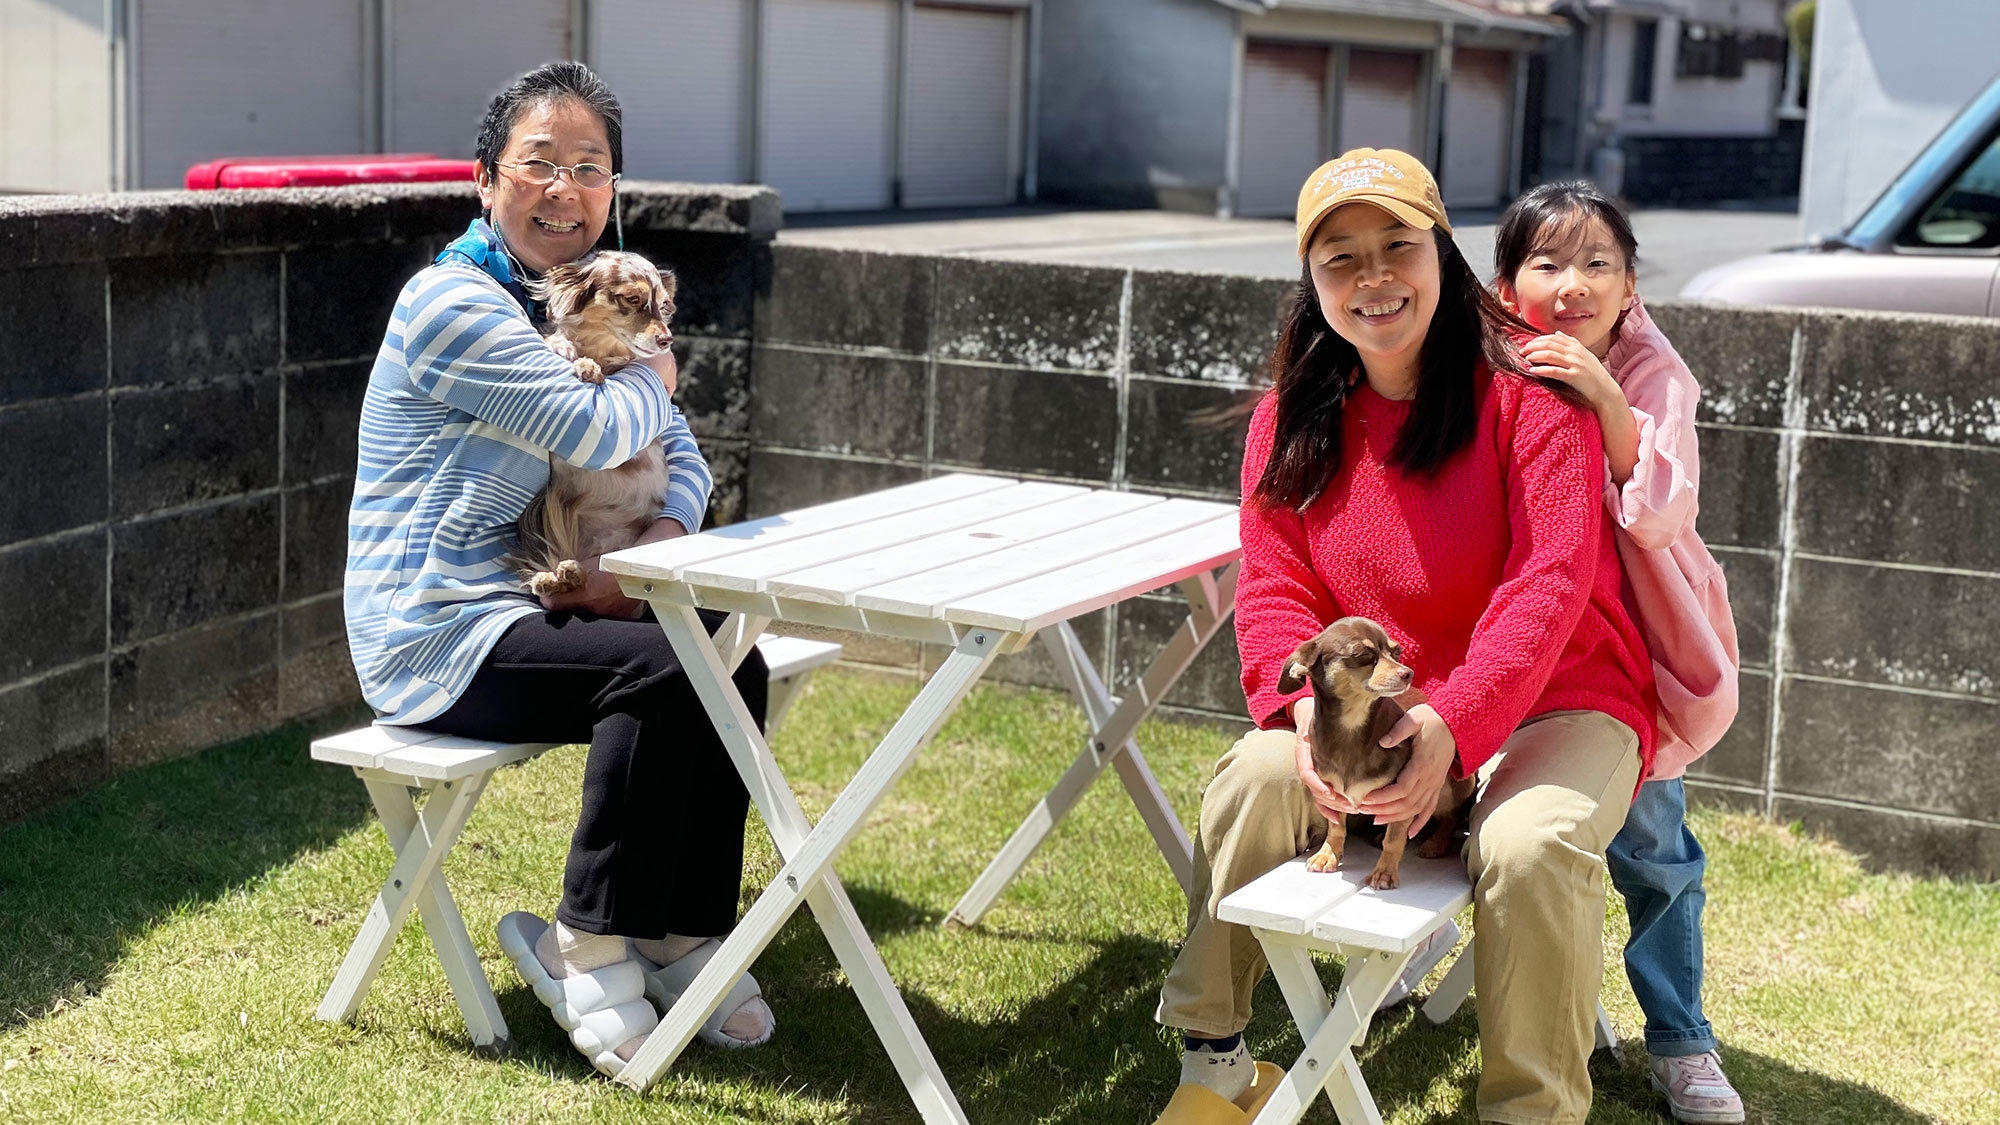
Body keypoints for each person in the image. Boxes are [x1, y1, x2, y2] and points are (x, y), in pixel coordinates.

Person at [1149, 148, 1659, 1125]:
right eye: (1339, 258)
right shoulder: (1289, 418)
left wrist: (1452, 725)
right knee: (1252, 778)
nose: (1372, 277)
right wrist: (1298, 709)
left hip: (1562, 693)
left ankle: (1530, 1113)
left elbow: (1548, 583)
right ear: (1310, 282)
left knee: (1529, 840)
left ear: (1443, 256)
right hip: (1388, 703)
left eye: (1396, 245)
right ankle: (1211, 1057)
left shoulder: (1532, 394)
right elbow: (1274, 583)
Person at [342, 61, 773, 1078]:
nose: (564, 187)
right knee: (668, 668)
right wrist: (660, 372)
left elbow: (684, 455)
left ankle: (675, 927)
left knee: (731, 657)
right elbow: (584, 421)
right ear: (485, 180)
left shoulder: (590, 304)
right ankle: (584, 935)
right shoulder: (452, 304)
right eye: (539, 162)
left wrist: (665, 534)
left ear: (611, 189)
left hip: (529, 598)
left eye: (590, 167)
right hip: (439, 631)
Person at [1494, 180, 1744, 1124]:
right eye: (1547, 263)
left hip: (1630, 644)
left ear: (1631, 282)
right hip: (1518, 632)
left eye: (1599, 262)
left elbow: (1657, 512)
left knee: (1652, 846)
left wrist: (1602, 397)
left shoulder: (1651, 370)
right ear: (1507, 281)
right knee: (1477, 798)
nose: (1574, 284)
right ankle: (1427, 959)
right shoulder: (1487, 358)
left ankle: (1682, 1040)